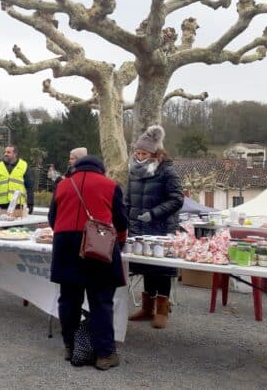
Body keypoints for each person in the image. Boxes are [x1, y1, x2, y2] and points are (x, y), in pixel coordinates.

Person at [48, 155, 128, 370]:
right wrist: (119, 243)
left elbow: (52, 219)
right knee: (101, 301)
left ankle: (70, 347)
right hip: (97, 245)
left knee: (68, 300)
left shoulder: (63, 185)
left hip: (65, 245)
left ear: (75, 168)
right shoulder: (110, 185)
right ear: (100, 169)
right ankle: (104, 355)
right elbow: (121, 221)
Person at [126, 125, 184, 329]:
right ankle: (147, 308)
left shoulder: (167, 171)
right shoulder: (133, 170)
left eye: (143, 153)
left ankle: (162, 310)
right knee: (145, 268)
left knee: (161, 269)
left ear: (155, 153)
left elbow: (177, 199)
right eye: (137, 152)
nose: (139, 156)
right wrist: (125, 217)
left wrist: (154, 213)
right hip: (138, 228)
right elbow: (128, 199)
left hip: (161, 227)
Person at [0, 145, 34, 214]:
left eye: (8, 152)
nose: (5, 154)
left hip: (18, 204)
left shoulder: (23, 165)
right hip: (2, 204)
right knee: (3, 224)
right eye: (5, 152)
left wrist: (30, 203)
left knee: (17, 224)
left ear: (15, 154)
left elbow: (30, 186)